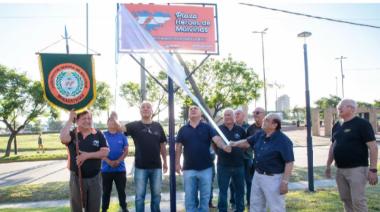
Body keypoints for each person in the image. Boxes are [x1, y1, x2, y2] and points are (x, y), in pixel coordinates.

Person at [230, 113, 294, 212]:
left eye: (267, 120)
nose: (263, 121)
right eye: (264, 119)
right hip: (257, 175)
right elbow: (247, 142)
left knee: (276, 207)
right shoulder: (260, 134)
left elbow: (289, 162)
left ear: (274, 125)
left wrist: (285, 182)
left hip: (273, 179)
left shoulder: (284, 141)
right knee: (255, 205)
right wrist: (234, 144)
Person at [325, 99, 378, 212]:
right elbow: (333, 146)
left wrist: (373, 170)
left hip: (357, 169)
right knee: (345, 199)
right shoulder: (337, 125)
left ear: (352, 109)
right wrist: (328, 165)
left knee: (358, 201)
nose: (339, 108)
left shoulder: (362, 124)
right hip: (340, 169)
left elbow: (373, 147)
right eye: (338, 106)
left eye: (342, 106)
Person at [175, 105, 231, 212]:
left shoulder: (208, 127)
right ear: (188, 114)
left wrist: (224, 146)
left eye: (196, 108)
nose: (193, 109)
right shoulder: (183, 129)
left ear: (201, 114)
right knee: (189, 197)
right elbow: (178, 147)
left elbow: (216, 139)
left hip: (206, 168)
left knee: (205, 198)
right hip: (188, 169)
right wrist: (177, 163)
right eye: (191, 109)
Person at [60, 110, 109, 212]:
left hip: (95, 178)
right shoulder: (73, 134)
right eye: (84, 118)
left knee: (94, 208)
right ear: (77, 121)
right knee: (76, 208)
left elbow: (105, 152)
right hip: (76, 178)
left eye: (89, 118)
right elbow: (63, 138)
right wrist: (69, 120)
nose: (87, 121)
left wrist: (87, 156)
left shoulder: (98, 134)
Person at [122, 101, 167, 212]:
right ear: (140, 111)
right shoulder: (134, 126)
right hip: (140, 167)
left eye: (148, 107)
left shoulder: (158, 126)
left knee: (156, 196)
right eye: (143, 107)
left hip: (156, 167)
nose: (146, 109)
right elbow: (119, 129)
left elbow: (162, 145)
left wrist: (165, 162)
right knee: (139, 197)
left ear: (152, 111)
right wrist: (114, 119)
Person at [217, 109, 246, 212]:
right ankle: (222, 210)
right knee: (223, 191)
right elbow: (215, 144)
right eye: (225, 115)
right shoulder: (218, 129)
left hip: (239, 165)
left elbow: (245, 145)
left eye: (229, 115)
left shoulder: (241, 130)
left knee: (240, 191)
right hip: (223, 165)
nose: (227, 117)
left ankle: (240, 209)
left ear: (234, 117)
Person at [101, 113, 129, 212]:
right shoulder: (102, 135)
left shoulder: (122, 136)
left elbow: (126, 151)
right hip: (105, 169)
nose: (112, 122)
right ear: (107, 123)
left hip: (120, 169)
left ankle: (124, 207)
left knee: (121, 191)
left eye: (113, 120)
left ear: (117, 123)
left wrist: (118, 161)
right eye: (109, 120)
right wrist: (108, 161)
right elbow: (99, 151)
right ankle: (104, 209)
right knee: (106, 192)